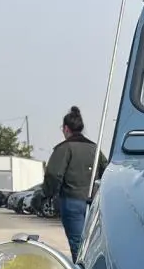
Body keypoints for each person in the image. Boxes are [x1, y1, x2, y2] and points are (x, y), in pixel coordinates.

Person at [42, 106, 109, 260]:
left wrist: (46, 195)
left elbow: (54, 174)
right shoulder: (95, 148)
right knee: (93, 243)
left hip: (71, 201)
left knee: (77, 244)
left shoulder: (64, 148)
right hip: (93, 202)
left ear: (66, 128)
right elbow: (107, 170)